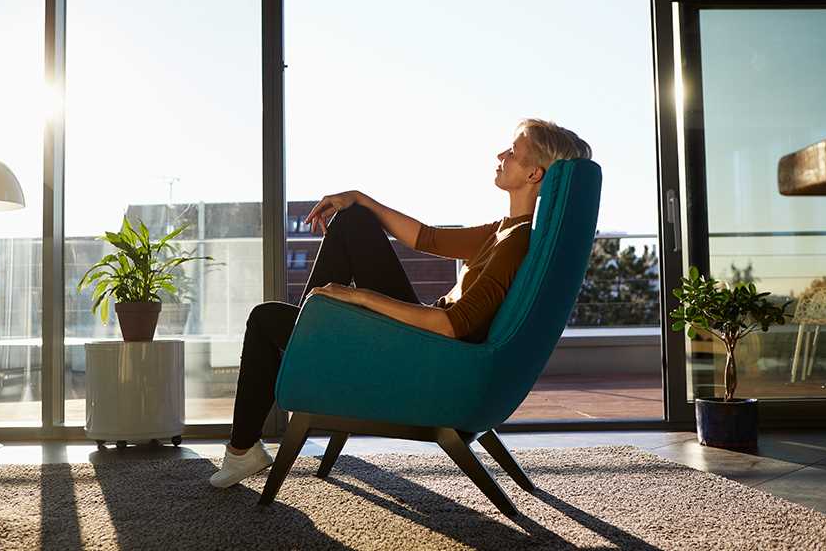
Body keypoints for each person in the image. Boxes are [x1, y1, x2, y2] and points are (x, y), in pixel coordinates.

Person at [209, 118, 592, 488]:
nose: (500, 154)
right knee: (354, 220)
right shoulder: (504, 231)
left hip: (431, 354)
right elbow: (427, 238)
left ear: (533, 174)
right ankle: (306, 347)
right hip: (426, 340)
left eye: (513, 150)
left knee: (264, 319)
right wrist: (359, 198)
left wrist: (357, 295)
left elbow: (452, 326)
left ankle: (252, 434)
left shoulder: (514, 245)